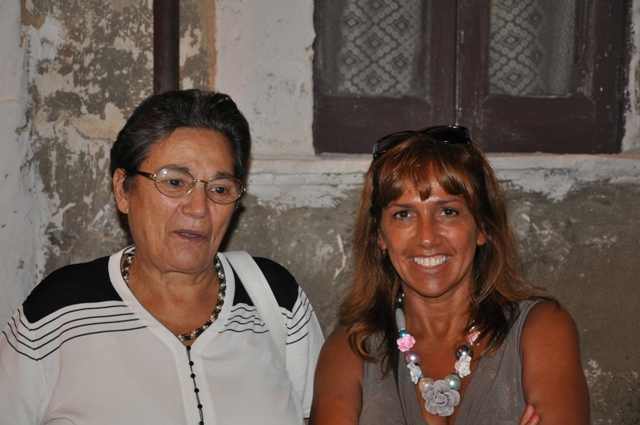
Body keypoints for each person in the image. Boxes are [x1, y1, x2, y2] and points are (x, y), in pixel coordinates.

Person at [0, 89, 324, 424]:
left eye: (219, 189)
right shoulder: (60, 311)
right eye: (175, 182)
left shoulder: (274, 298)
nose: (199, 208)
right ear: (123, 190)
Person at [310, 126, 589, 425]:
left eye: (448, 212)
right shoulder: (348, 352)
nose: (427, 237)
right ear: (380, 235)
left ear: (482, 227)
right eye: (403, 214)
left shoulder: (542, 329)